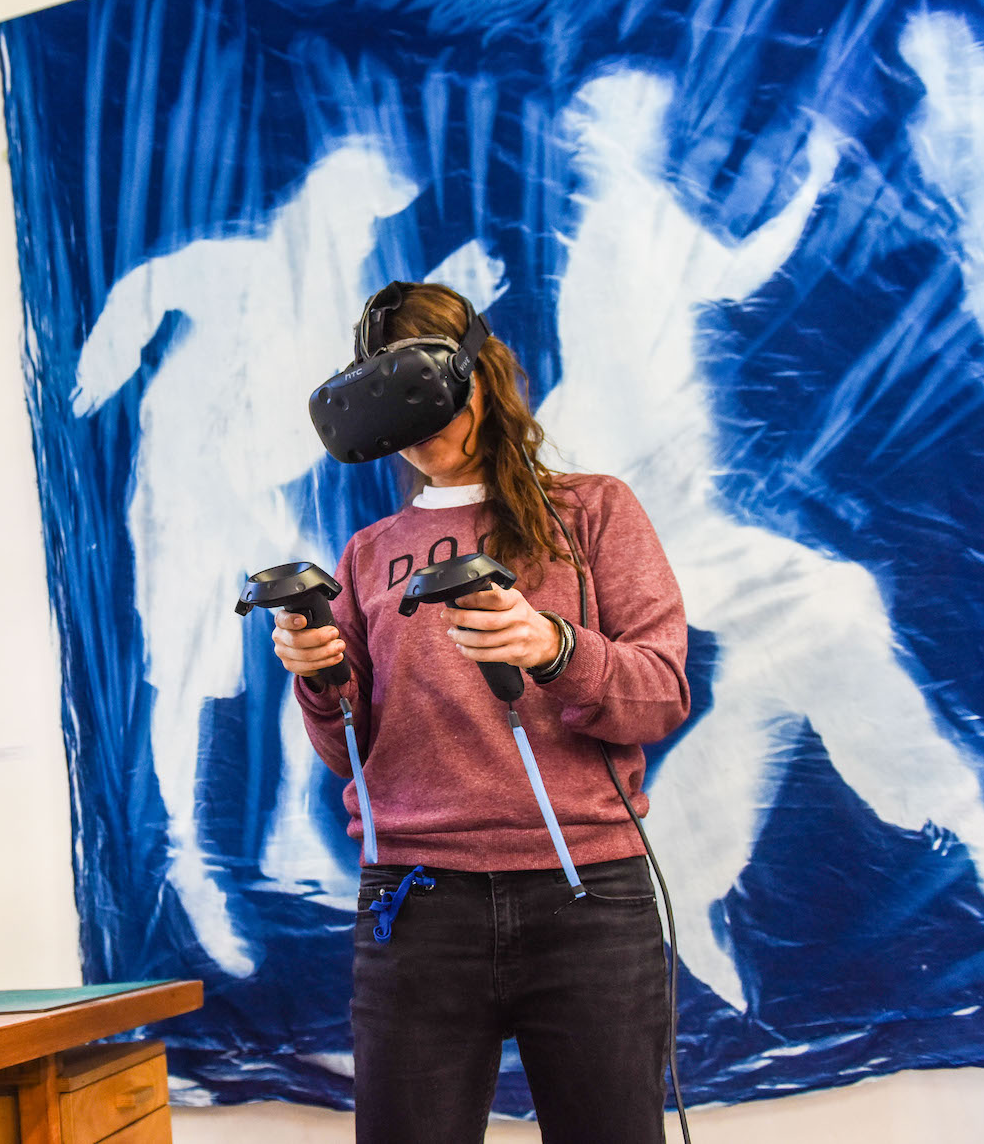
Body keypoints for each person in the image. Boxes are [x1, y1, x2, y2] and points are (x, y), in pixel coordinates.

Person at [271, 282, 691, 1144]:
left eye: (423, 394)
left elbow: (660, 693)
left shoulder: (592, 512)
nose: (418, 430)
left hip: (587, 899)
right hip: (417, 908)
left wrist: (553, 648)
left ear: (479, 375)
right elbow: (351, 754)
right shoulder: (368, 555)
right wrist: (318, 680)